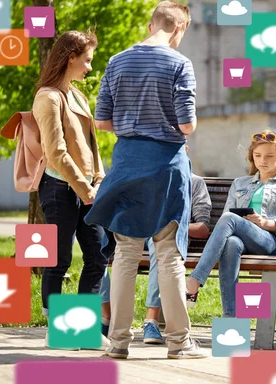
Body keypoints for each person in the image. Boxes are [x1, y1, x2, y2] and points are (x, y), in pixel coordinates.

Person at [84, 1, 205, 359]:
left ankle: (118, 342)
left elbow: (102, 121)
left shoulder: (117, 60)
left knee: (124, 252)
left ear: (153, 24)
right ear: (179, 27)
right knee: (167, 255)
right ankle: (179, 343)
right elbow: (187, 125)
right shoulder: (180, 63)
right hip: (166, 165)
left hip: (126, 163)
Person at [31, 30, 107, 346]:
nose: (89, 67)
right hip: (60, 189)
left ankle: (81, 328)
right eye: (86, 60)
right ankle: (61, 330)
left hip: (87, 189)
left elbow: (91, 145)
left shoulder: (77, 95)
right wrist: (84, 189)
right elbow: (57, 152)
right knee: (59, 260)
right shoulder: (47, 97)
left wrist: (100, 179)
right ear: (70, 57)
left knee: (97, 256)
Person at [185, 130, 276, 317]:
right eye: (258, 156)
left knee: (230, 219)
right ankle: (231, 319)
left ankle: (195, 280)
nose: (262, 160)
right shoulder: (240, 183)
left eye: (269, 156)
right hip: (240, 239)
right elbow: (227, 217)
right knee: (231, 243)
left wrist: (266, 223)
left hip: (268, 241)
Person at [98, 171, 211, 344]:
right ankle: (106, 315)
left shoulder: (195, 182)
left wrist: (174, 227)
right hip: (137, 233)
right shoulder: (146, 176)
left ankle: (151, 321)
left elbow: (203, 228)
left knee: (159, 240)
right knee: (97, 244)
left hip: (167, 238)